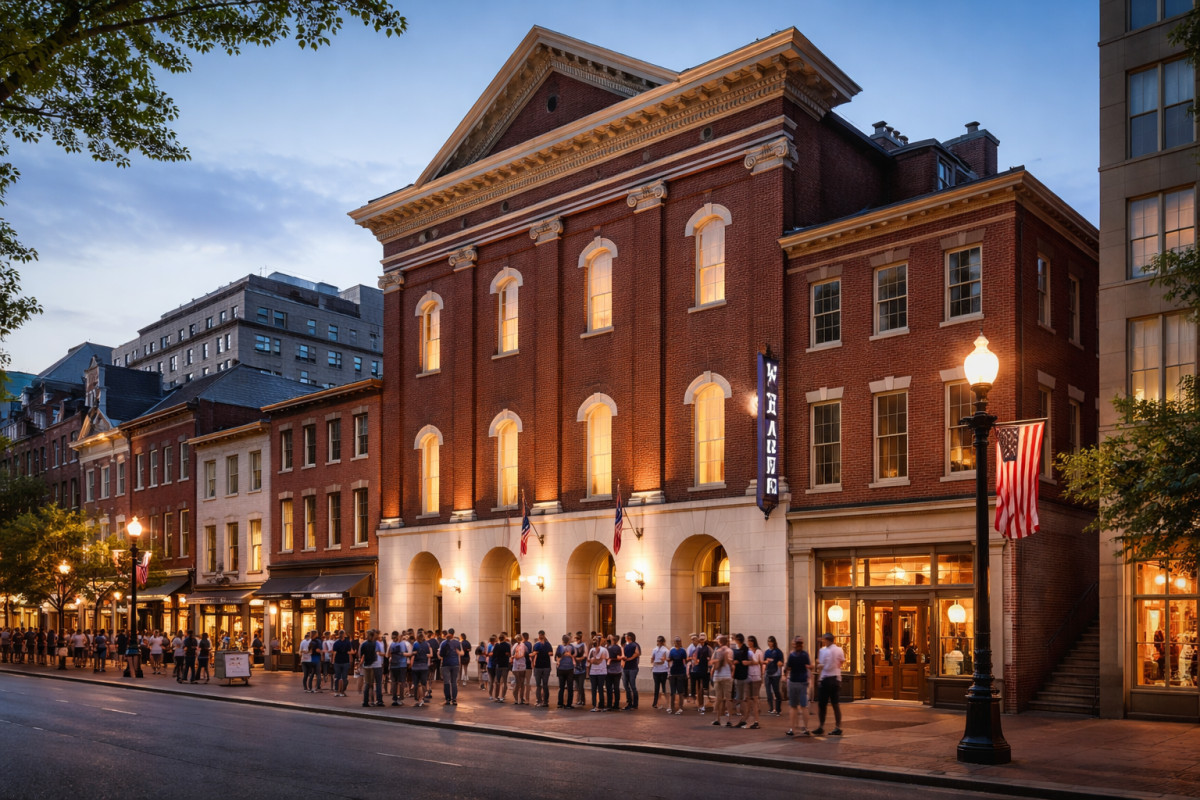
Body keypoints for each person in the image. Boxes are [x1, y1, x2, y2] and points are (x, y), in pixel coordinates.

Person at [814, 632, 845, 736]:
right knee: (835, 704)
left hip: (826, 678)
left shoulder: (823, 651)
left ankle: (821, 726)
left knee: (822, 704)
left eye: (823, 640)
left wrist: (818, 664)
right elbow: (842, 662)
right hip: (836, 678)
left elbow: (821, 665)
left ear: (827, 640)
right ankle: (838, 727)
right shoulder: (839, 649)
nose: (823, 642)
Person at [783, 636, 813, 737]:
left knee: (793, 706)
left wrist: (785, 676)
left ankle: (792, 729)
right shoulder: (805, 655)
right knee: (804, 707)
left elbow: (787, 668)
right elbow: (809, 666)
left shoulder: (792, 655)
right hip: (803, 682)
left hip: (793, 682)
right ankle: (806, 728)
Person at [710, 634, 735, 727]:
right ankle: (729, 719)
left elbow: (712, 663)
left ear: (720, 642)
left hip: (717, 676)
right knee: (728, 698)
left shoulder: (717, 651)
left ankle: (717, 719)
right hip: (727, 676)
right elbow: (731, 663)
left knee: (719, 698)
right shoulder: (729, 651)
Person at [743, 634, 764, 729]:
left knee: (755, 698)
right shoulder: (746, 651)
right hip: (748, 676)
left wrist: (762, 675)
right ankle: (746, 718)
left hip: (756, 676)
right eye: (748, 640)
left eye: (751, 640)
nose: (749, 642)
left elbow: (760, 663)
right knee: (748, 698)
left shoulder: (759, 651)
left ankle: (756, 720)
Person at [359, 629, 384, 707]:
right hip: (377, 665)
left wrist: (360, 664)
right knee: (378, 683)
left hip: (367, 666)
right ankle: (379, 700)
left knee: (368, 684)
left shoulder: (363, 644)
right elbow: (382, 653)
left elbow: (360, 655)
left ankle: (366, 701)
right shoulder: (377, 643)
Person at [439, 627, 462, 705]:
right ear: (453, 634)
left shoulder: (443, 643)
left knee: (446, 682)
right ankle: (454, 699)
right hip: (455, 664)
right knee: (454, 682)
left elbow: (440, 654)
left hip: (446, 664)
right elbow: (460, 653)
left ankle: (447, 699)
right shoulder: (457, 643)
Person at [389, 631, 411, 706]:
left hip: (393, 665)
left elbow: (387, 654)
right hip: (401, 665)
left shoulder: (391, 644)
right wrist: (411, 654)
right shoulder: (402, 644)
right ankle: (400, 698)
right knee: (401, 682)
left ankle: (395, 698)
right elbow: (405, 653)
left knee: (394, 682)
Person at [667, 636, 689, 715]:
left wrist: (686, 673)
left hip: (680, 672)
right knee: (672, 691)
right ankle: (671, 707)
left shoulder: (683, 651)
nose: (677, 642)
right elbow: (669, 660)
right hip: (673, 672)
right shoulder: (672, 650)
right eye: (676, 641)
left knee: (680, 691)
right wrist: (666, 660)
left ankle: (680, 707)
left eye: (678, 641)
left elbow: (685, 661)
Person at [587, 635, 609, 711]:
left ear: (599, 641)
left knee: (600, 688)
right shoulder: (591, 650)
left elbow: (606, 658)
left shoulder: (604, 650)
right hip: (593, 672)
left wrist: (596, 660)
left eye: (596, 640)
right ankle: (594, 705)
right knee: (594, 689)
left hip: (601, 671)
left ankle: (601, 705)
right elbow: (589, 660)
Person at [410, 630, 431, 707]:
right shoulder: (426, 644)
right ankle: (424, 693)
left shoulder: (415, 644)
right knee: (423, 683)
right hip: (424, 666)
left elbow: (413, 654)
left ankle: (420, 699)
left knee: (418, 684)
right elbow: (428, 654)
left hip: (416, 666)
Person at [690, 635, 711, 713]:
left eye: (703, 639)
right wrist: (695, 662)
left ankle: (703, 704)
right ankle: (700, 704)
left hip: (704, 669)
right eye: (700, 639)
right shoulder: (697, 648)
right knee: (699, 687)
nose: (701, 641)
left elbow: (710, 657)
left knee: (703, 687)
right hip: (698, 669)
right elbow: (693, 657)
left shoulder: (708, 648)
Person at [555, 634, 576, 709]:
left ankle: (560, 703)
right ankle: (569, 704)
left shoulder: (559, 647)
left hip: (561, 668)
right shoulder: (571, 647)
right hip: (569, 668)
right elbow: (574, 654)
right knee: (570, 687)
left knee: (561, 687)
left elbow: (556, 657)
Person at [622, 632, 641, 710]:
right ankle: (629, 703)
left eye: (626, 636)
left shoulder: (635, 645)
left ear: (630, 637)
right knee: (626, 686)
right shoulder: (626, 645)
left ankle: (635, 704)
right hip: (625, 667)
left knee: (632, 686)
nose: (625, 637)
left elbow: (637, 653)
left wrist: (629, 659)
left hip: (632, 668)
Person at [331, 630, 353, 697]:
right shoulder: (348, 642)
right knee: (344, 677)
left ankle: (337, 691)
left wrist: (333, 660)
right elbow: (350, 651)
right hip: (345, 661)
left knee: (337, 677)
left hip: (338, 661)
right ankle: (342, 691)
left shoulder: (336, 642)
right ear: (344, 634)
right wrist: (350, 655)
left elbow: (334, 652)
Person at [650, 636, 670, 710]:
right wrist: (652, 660)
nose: (659, 643)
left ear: (663, 642)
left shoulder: (666, 650)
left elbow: (667, 661)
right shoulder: (654, 649)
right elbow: (652, 659)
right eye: (658, 641)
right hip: (656, 670)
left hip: (663, 670)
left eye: (660, 641)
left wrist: (663, 662)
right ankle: (655, 703)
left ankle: (667, 703)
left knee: (664, 688)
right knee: (656, 687)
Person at [491, 632, 511, 703]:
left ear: (499, 639)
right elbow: (509, 654)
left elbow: (494, 655)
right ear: (505, 638)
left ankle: (496, 696)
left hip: (498, 664)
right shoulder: (507, 645)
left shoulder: (497, 645)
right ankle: (502, 696)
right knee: (504, 681)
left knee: (497, 681)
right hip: (505, 664)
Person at [605, 634, 623, 711]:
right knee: (616, 688)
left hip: (609, 670)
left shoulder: (607, 648)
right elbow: (619, 657)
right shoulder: (619, 648)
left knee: (609, 688)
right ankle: (616, 704)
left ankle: (609, 704)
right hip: (617, 670)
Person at [511, 632, 529, 705]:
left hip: (516, 665)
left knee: (517, 683)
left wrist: (514, 657)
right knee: (522, 683)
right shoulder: (524, 645)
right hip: (522, 665)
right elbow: (526, 653)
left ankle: (516, 699)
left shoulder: (515, 645)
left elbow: (512, 654)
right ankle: (521, 699)